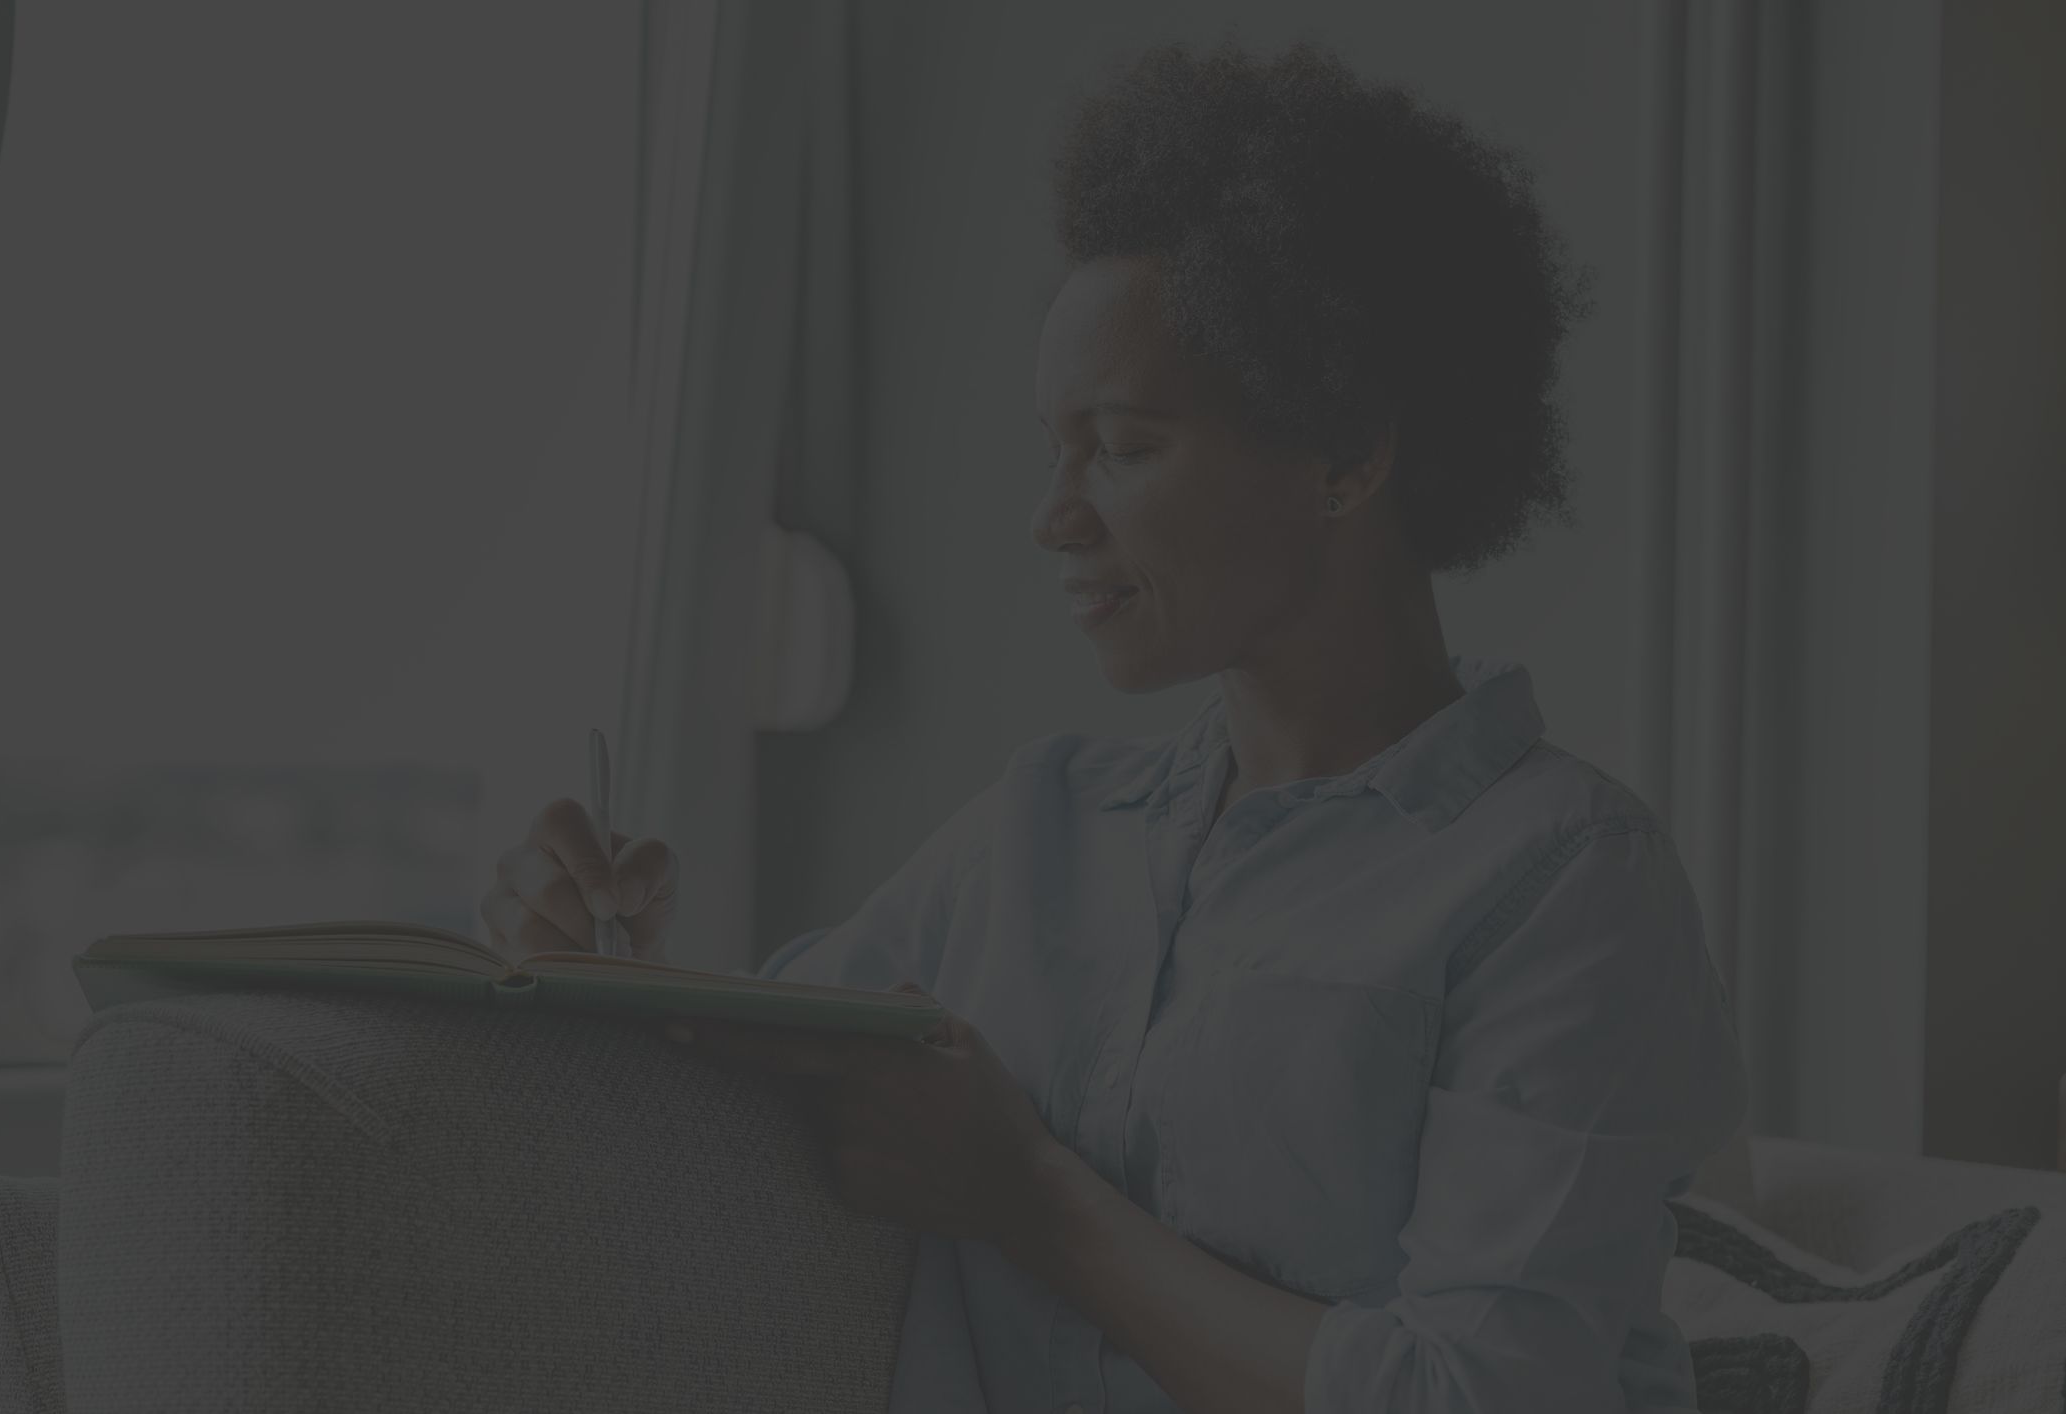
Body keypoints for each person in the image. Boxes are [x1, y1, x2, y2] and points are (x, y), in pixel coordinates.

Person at [480, 35, 1747, 1414]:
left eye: (1126, 445)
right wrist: (598, 960)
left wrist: (1028, 1195)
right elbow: (751, 1089)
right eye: (1053, 446)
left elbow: (1476, 1396)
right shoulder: (1041, 828)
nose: (1054, 513)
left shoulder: (1559, 883)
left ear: (1343, 453)